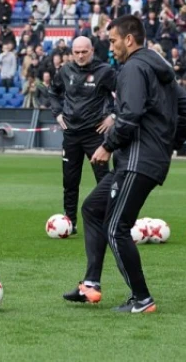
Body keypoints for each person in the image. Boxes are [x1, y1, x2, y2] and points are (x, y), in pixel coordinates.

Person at [62, 15, 186, 312]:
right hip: (145, 160)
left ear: (129, 38)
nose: (110, 48)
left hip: (136, 160)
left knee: (116, 228)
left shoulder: (133, 68)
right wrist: (168, 144)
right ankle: (91, 284)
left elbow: (130, 114)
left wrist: (107, 146)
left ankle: (142, 299)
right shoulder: (157, 68)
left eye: (112, 41)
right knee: (93, 208)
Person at [49, 36, 116, 233]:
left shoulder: (105, 71)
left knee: (103, 179)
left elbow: (124, 94)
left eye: (83, 52)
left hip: (95, 134)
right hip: (71, 134)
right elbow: (53, 92)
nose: (80, 56)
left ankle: (109, 220)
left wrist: (112, 116)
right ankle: (70, 222)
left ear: (92, 51)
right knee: (70, 180)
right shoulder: (65, 70)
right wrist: (58, 114)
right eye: (76, 52)